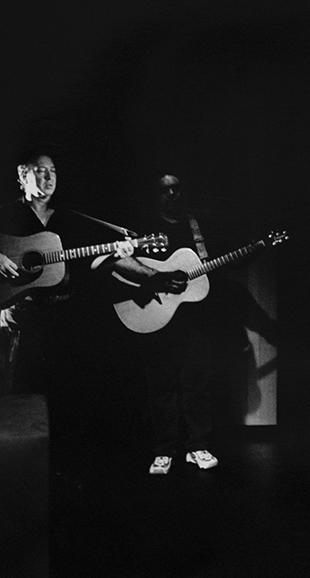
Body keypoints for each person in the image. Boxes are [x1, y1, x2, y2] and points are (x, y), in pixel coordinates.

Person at [0, 150, 186, 447]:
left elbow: (94, 264)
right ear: (23, 175)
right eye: (40, 170)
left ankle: (66, 463)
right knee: (26, 395)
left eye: (53, 172)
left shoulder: (70, 219)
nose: (49, 178)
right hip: (25, 317)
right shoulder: (8, 214)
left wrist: (118, 255)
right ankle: (30, 470)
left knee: (68, 394)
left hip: (65, 315)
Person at [131, 173, 221, 475]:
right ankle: (164, 450)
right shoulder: (145, 228)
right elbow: (122, 265)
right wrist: (155, 279)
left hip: (195, 318)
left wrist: (256, 247)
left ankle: (197, 446)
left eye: (176, 188)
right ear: (154, 195)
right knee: (161, 387)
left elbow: (211, 265)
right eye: (164, 189)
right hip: (156, 315)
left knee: (197, 383)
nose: (172, 194)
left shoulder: (195, 226)